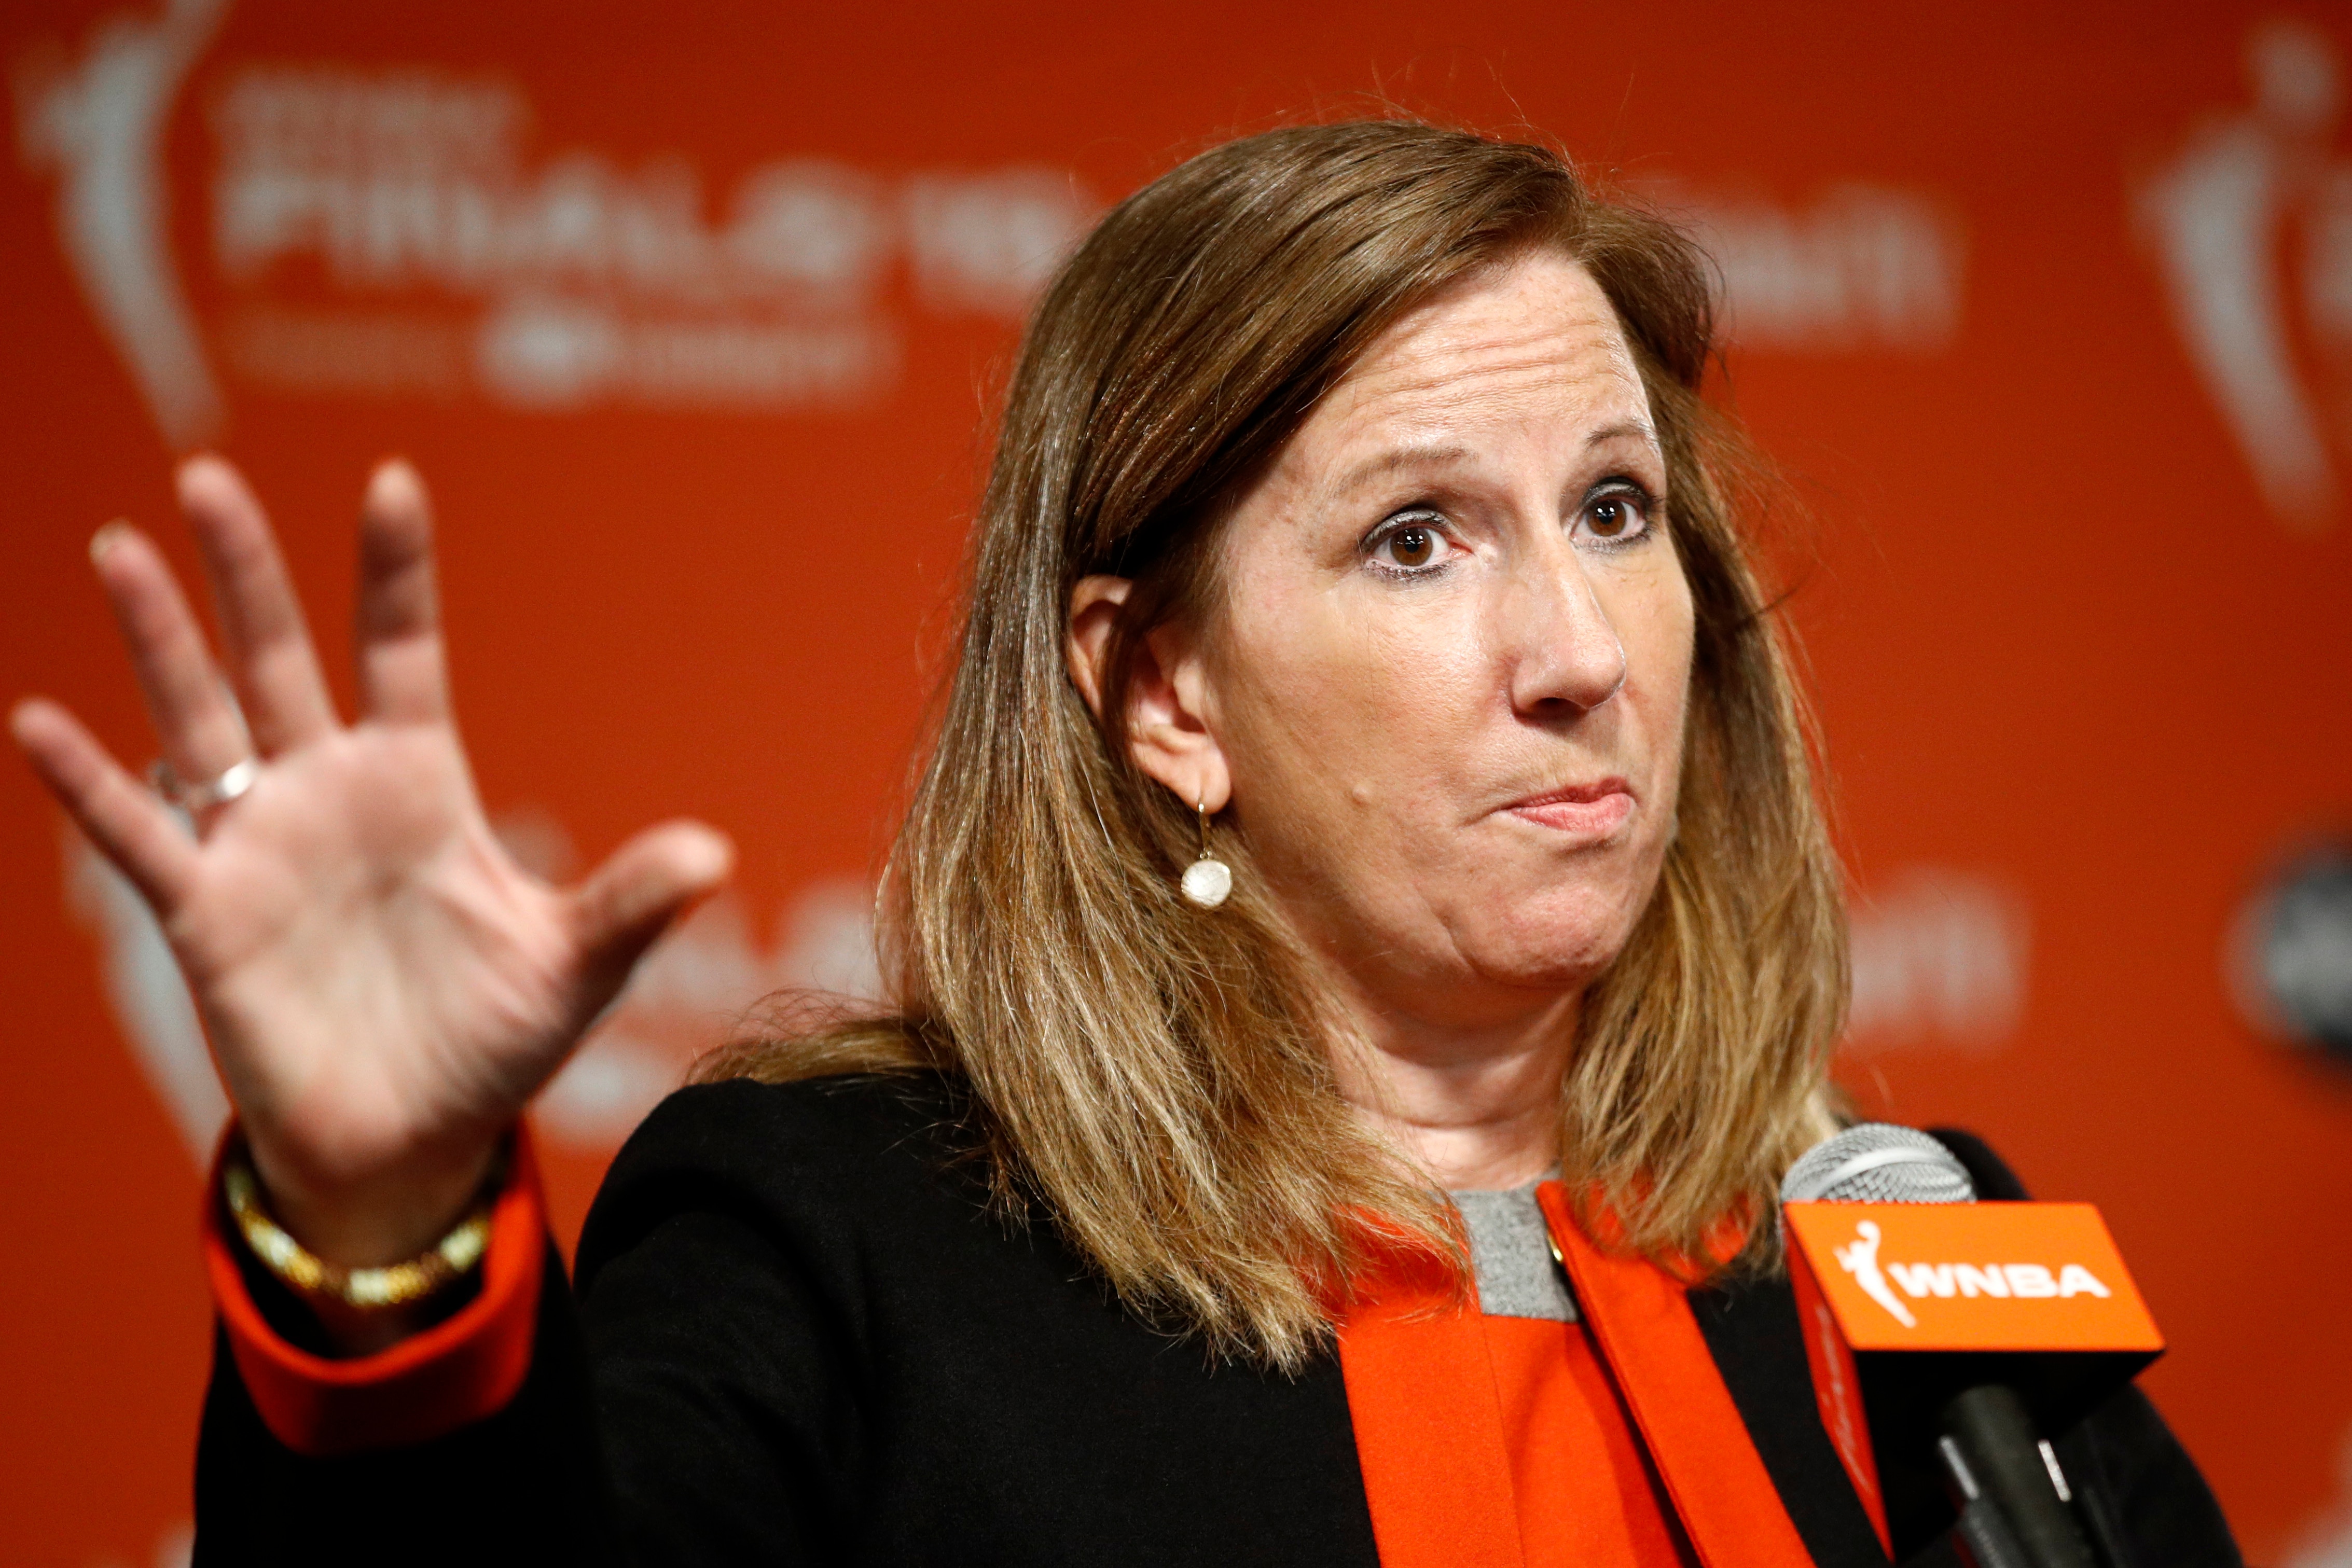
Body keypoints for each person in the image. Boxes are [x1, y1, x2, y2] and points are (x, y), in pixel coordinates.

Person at [11, 120, 2237, 1567]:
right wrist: (376, 1232)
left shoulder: (1918, 1247)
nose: (1579, 651)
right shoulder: (850, 1246)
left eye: (1618, 510)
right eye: (1417, 538)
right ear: (1162, 693)